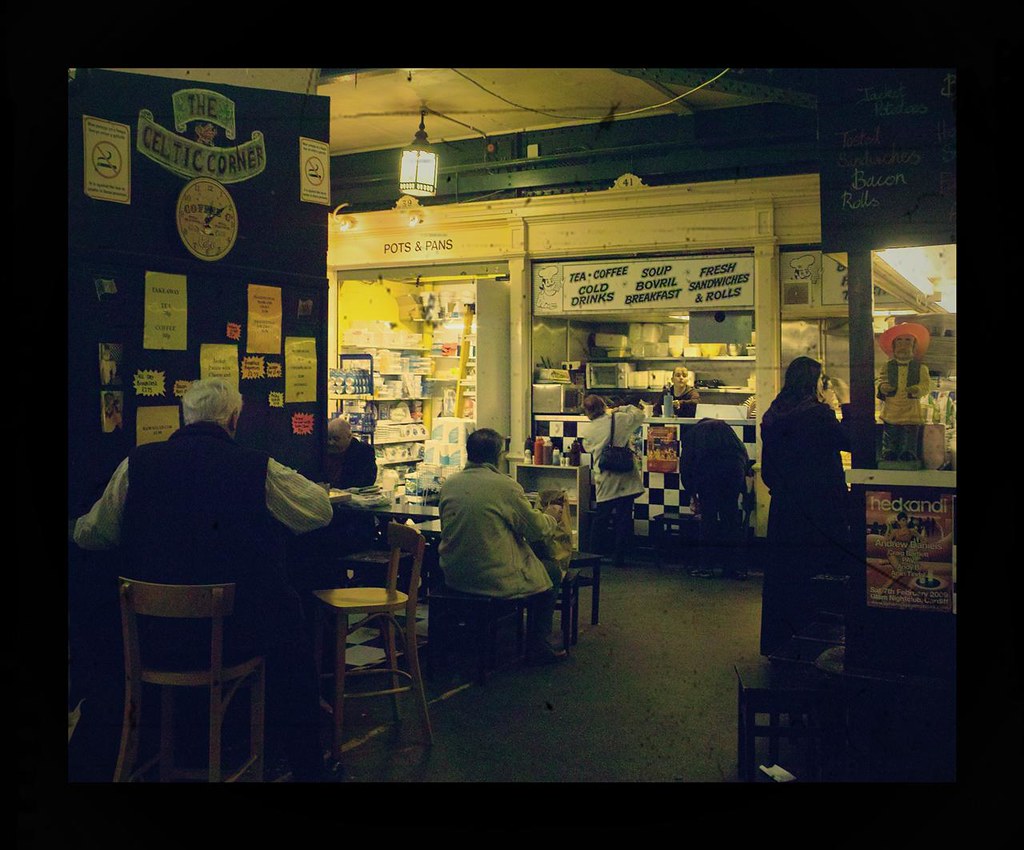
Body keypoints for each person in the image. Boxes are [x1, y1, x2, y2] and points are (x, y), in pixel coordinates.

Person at [73, 378, 335, 781]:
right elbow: (319, 511)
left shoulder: (136, 464)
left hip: (151, 639)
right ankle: (308, 768)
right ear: (233, 419)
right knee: (290, 632)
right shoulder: (256, 466)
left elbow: (92, 534)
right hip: (234, 637)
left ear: (184, 417)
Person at [437, 428, 568, 664]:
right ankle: (539, 644)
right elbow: (536, 529)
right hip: (494, 577)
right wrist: (551, 515)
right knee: (551, 571)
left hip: (453, 574)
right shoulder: (505, 486)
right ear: (498, 455)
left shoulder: (450, 484)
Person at [759, 356, 854, 656]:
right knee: (819, 573)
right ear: (815, 383)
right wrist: (847, 404)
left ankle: (781, 643)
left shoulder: (773, 414)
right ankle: (817, 645)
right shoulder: (818, 415)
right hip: (820, 508)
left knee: (786, 576)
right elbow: (852, 441)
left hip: (785, 508)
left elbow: (768, 471)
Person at [679, 417, 751, 579]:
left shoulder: (693, 434)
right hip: (733, 473)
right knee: (731, 520)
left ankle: (706, 567)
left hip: (708, 476)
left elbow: (686, 464)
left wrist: (692, 493)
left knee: (708, 521)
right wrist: (743, 488)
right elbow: (743, 456)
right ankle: (732, 569)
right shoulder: (727, 431)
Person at [581, 394, 645, 568]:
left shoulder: (587, 431)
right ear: (603, 406)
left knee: (601, 519)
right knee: (624, 519)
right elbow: (640, 415)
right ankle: (619, 557)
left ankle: (593, 555)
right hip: (625, 477)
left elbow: (588, 448)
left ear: (587, 412)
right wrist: (621, 408)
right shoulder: (620, 420)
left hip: (605, 478)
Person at [876, 322, 932, 465]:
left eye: (908, 341)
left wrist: (918, 389)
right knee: (891, 432)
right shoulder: (887, 367)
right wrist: (883, 387)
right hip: (892, 408)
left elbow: (926, 385)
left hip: (911, 409)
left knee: (910, 432)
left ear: (914, 346)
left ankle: (908, 453)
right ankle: (889, 452)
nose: (903, 345)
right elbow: (879, 381)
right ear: (893, 346)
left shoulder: (921, 368)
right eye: (899, 341)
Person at [325, 416, 378, 489]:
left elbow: (367, 480)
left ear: (349, 436)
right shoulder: (323, 452)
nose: (331, 443)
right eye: (329, 438)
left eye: (336, 439)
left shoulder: (363, 452)